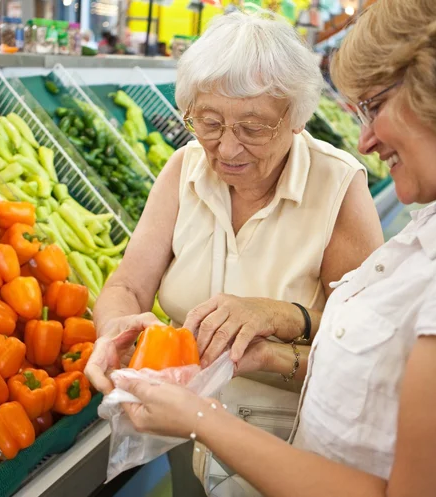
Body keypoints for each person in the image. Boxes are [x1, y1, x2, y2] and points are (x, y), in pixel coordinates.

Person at [104, 1, 436, 496]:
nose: (365, 140)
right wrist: (262, 357)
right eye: (209, 122)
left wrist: (203, 417)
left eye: (375, 105)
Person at [85, 9, 383, 497]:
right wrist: (116, 328)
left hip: (291, 453)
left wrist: (278, 324)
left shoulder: (337, 185)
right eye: (208, 122)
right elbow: (127, 286)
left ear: (296, 118)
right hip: (182, 439)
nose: (226, 147)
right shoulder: (184, 168)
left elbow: (368, 350)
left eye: (254, 127)